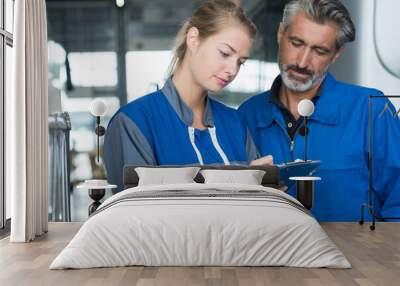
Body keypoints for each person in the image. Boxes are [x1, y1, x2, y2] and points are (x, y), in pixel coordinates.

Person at [238, 0, 400, 221]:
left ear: (336, 53)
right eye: (296, 43)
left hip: (351, 255)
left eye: (320, 51)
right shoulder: (247, 115)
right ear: (280, 33)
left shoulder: (371, 109)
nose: (303, 62)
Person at [104, 0, 272, 193]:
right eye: (225, 53)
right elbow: (137, 214)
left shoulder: (235, 123)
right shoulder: (133, 123)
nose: (232, 70)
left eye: (240, 62)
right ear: (193, 39)